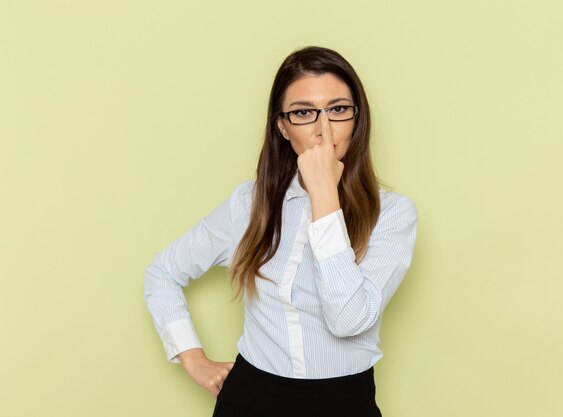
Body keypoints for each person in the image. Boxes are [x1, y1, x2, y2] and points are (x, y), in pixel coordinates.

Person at [144, 45, 418, 417]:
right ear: (282, 126)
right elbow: (162, 272)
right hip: (251, 399)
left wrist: (324, 197)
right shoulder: (250, 203)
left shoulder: (393, 215)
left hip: (344, 402)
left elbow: (348, 319)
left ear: (357, 118)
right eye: (304, 113)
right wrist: (192, 356)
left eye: (338, 110)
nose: (323, 130)